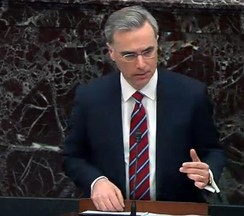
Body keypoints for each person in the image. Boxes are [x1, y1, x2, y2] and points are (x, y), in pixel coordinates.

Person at [63, 5, 226, 212]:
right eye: (129, 55)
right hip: (113, 211)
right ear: (111, 52)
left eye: (148, 51)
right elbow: (73, 157)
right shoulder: (90, 98)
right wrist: (96, 181)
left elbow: (213, 151)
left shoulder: (191, 95)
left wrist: (207, 173)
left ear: (157, 42)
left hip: (174, 210)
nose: (141, 64)